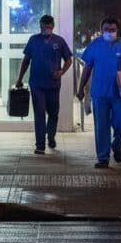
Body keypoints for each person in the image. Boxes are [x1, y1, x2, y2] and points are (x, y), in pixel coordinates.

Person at [78, 17, 121, 168]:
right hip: (99, 93)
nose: (109, 32)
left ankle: (116, 144)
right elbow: (87, 68)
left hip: (119, 93)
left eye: (112, 30)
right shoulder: (95, 46)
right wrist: (80, 88)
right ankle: (103, 157)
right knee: (101, 126)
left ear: (117, 30)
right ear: (101, 30)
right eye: (106, 29)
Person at [17, 14, 73, 154]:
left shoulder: (59, 41)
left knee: (53, 113)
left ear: (52, 26)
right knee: (39, 112)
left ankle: (51, 136)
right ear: (40, 26)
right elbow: (26, 60)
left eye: (48, 26)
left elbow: (69, 60)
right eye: (43, 26)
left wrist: (61, 72)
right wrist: (19, 78)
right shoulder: (34, 40)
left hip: (53, 84)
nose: (46, 29)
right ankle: (40, 144)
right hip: (37, 83)